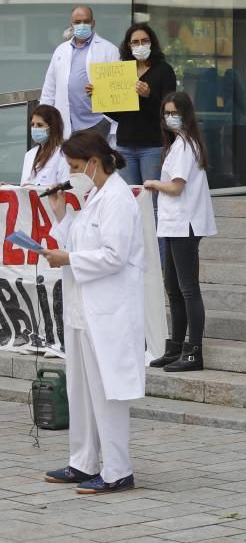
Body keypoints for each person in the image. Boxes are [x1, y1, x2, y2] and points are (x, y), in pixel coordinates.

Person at [40, 131, 144, 494]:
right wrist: (59, 215)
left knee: (107, 391)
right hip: (84, 309)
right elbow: (81, 243)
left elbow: (113, 256)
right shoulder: (95, 195)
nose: (71, 173)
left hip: (109, 310)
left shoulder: (117, 197)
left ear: (94, 162)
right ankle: (83, 461)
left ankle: (118, 470)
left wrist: (68, 258)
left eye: (74, 166)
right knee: (81, 390)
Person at [145, 92, 217, 372]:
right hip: (173, 223)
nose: (169, 118)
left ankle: (193, 351)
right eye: (166, 113)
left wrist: (152, 183)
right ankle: (175, 346)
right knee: (173, 288)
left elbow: (176, 186)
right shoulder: (177, 145)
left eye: (174, 112)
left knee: (187, 289)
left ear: (186, 114)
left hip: (185, 224)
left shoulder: (187, 145)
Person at [105, 24, 177, 186]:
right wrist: (99, 99)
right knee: (131, 197)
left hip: (153, 145)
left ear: (152, 43)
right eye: (135, 42)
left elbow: (169, 112)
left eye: (144, 41)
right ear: (128, 46)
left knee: (152, 197)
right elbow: (119, 115)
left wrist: (148, 96)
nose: (140, 45)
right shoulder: (123, 71)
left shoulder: (164, 71)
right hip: (125, 145)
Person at [40, 5, 120, 139]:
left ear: (93, 23)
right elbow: (49, 88)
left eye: (86, 21)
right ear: (71, 24)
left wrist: (107, 119)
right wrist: (43, 117)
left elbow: (118, 86)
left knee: (94, 159)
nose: (82, 25)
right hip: (66, 122)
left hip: (98, 122)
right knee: (68, 159)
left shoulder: (109, 49)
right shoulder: (61, 50)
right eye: (77, 22)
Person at [20, 105, 69, 186]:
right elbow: (23, 188)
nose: (34, 128)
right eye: (32, 124)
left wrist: (33, 188)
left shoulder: (63, 154)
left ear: (53, 128)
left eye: (40, 125)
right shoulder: (29, 154)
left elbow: (65, 189)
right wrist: (9, 188)